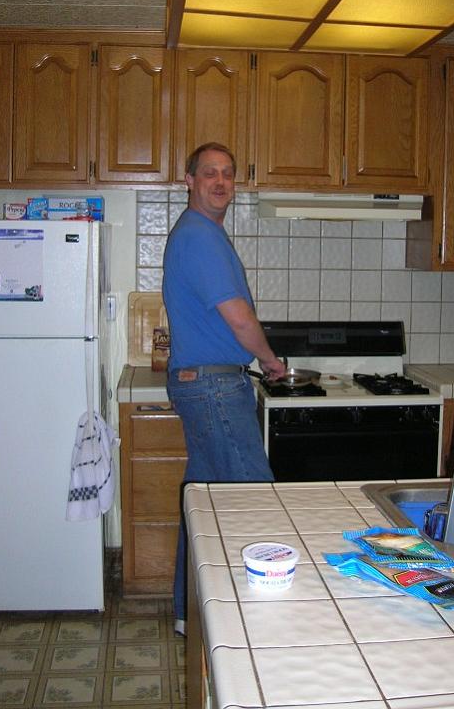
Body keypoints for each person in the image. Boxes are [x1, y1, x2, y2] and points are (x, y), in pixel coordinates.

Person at [162, 141, 286, 635]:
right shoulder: (200, 238)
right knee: (254, 500)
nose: (220, 181)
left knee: (205, 502)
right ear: (189, 180)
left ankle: (189, 613)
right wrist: (270, 358)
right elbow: (239, 320)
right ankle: (257, 621)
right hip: (214, 387)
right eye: (209, 173)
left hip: (204, 383)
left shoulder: (201, 234)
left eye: (228, 174)